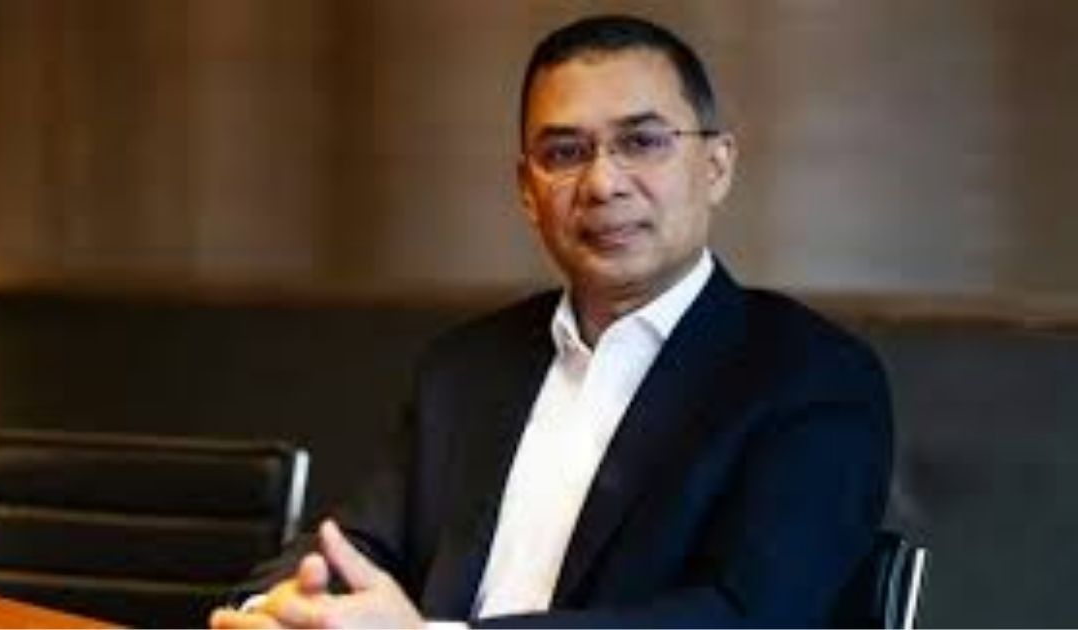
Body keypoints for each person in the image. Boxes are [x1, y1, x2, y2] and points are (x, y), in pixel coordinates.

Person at [211, 13, 892, 629]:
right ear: (527, 192)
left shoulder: (809, 377)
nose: (602, 184)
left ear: (716, 167)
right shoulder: (468, 368)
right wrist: (282, 609)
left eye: (642, 142)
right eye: (565, 153)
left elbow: (749, 617)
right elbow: (354, 544)